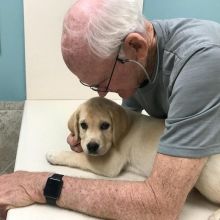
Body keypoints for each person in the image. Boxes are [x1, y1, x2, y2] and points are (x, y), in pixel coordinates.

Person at [0, 0, 220, 219]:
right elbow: (128, 127)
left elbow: (159, 206)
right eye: (92, 85)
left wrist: (42, 185)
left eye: (103, 81)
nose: (102, 94)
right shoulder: (139, 60)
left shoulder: (201, 64)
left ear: (136, 47)